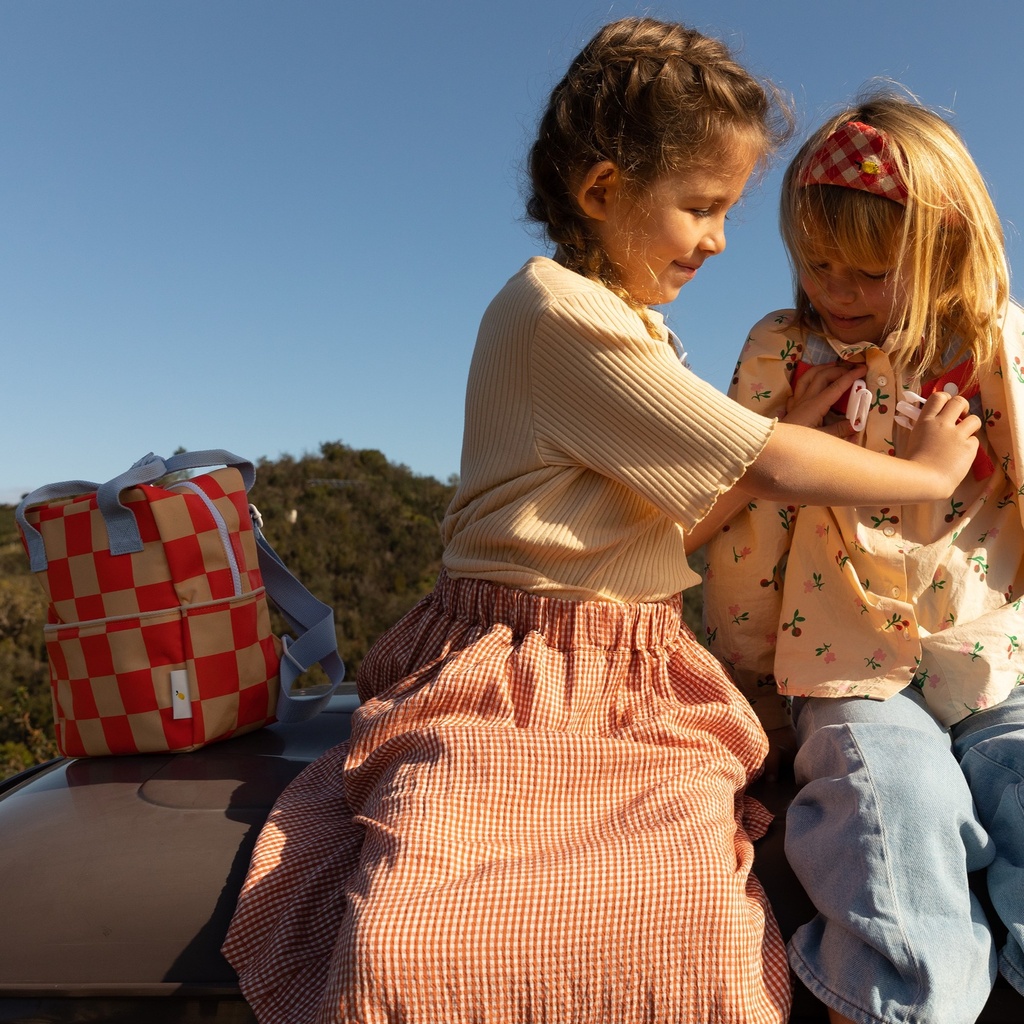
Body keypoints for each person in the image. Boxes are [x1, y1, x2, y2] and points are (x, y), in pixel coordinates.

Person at [222, 26, 980, 1024]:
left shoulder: (626, 326)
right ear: (601, 191)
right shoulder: (558, 315)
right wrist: (917, 468)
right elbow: (757, 460)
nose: (716, 240)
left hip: (628, 663)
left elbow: (693, 517)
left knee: (690, 913)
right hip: (516, 665)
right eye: (701, 208)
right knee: (426, 918)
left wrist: (779, 428)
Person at [704, 92, 1024, 1024]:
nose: (837, 289)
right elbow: (745, 522)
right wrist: (752, 668)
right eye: (818, 263)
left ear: (945, 256)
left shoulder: (992, 346)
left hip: (998, 657)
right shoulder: (788, 351)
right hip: (845, 658)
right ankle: (902, 1009)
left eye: (871, 270)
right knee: (891, 801)